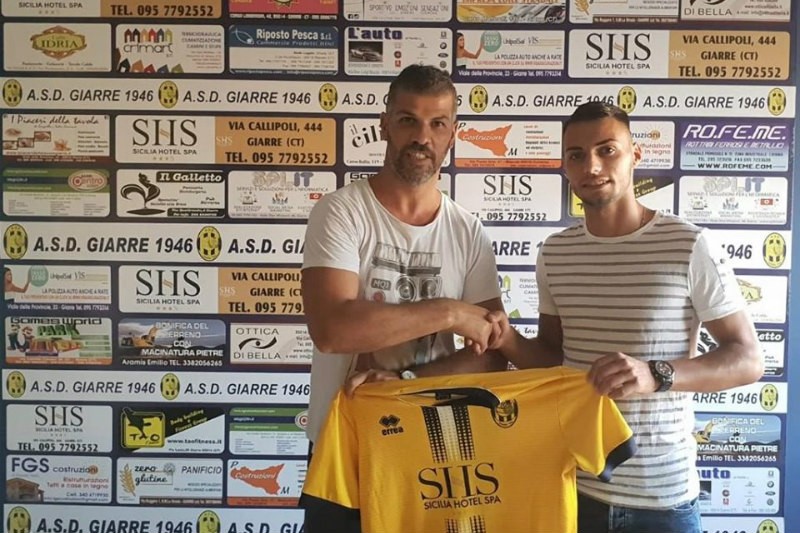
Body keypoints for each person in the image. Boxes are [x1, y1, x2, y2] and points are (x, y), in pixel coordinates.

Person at [494, 101, 763, 533]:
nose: (592, 166)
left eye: (607, 150)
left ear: (635, 155)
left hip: (662, 500)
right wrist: (505, 339)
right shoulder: (555, 252)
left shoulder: (689, 244)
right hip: (575, 489)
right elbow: (552, 359)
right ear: (565, 166)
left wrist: (656, 374)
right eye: (577, 155)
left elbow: (748, 359)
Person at [300, 64, 508, 528]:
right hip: (345, 449)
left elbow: (492, 355)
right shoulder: (342, 212)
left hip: (436, 451)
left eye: (437, 123)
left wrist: (407, 380)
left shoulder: (467, 231)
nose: (422, 137)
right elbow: (333, 330)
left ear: (454, 133)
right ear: (384, 124)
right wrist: (449, 313)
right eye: (408, 120)